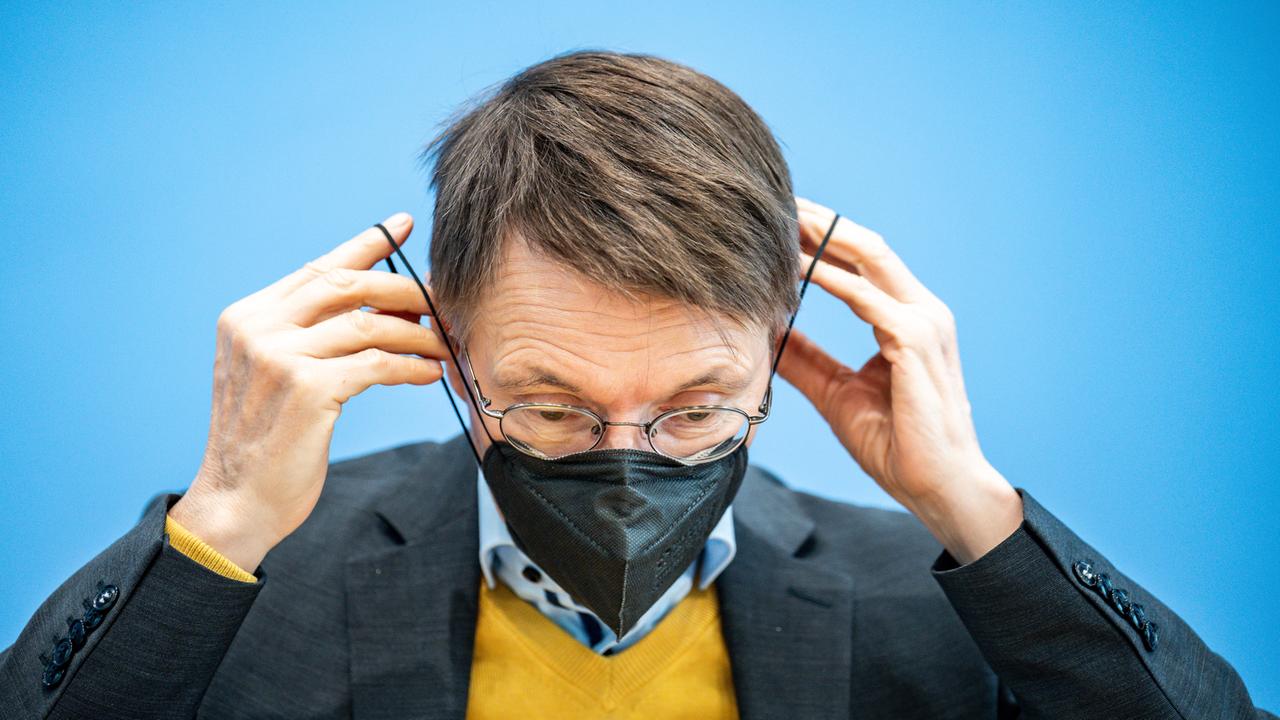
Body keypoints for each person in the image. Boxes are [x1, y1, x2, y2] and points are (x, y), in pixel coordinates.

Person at [0, 49, 1273, 720]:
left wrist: (976, 512)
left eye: (696, 409)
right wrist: (224, 516)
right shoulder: (238, 586)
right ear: (443, 344)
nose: (627, 462)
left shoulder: (951, 607)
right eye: (551, 406)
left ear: (777, 342)